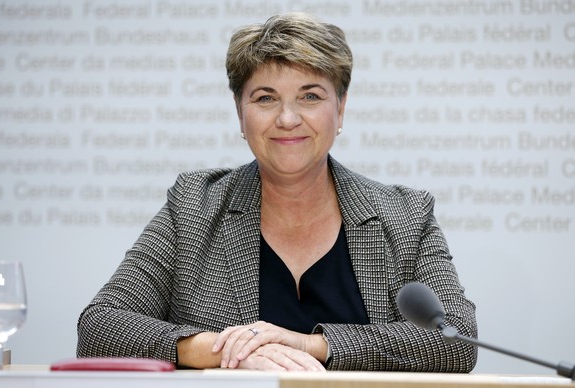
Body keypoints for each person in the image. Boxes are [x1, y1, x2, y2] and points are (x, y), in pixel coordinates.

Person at [77, 12, 478, 372]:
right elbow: (99, 328)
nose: (288, 119)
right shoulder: (193, 205)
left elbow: (456, 340)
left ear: (341, 109)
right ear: (240, 112)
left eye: (310, 96)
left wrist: (312, 345)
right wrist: (225, 351)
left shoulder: (406, 214)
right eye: (266, 98)